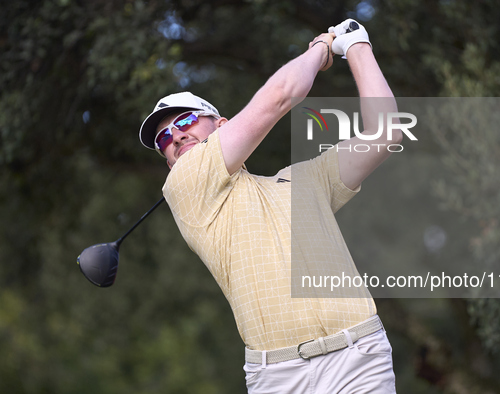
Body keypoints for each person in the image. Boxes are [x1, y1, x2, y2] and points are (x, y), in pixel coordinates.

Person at [139, 19, 400, 393]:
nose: (176, 135)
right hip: (280, 377)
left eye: (186, 120)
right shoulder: (185, 185)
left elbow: (386, 132)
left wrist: (358, 45)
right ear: (168, 161)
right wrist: (324, 47)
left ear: (222, 125)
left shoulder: (304, 179)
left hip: (357, 356)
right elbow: (281, 95)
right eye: (164, 137)